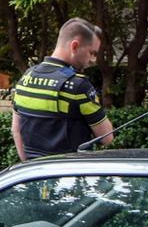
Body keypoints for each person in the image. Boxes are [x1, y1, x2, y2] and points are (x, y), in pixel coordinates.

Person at [11, 17, 113, 161]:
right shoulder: (78, 85)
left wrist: (27, 165)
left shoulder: (26, 77)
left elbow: (16, 130)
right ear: (75, 46)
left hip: (33, 171)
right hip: (69, 171)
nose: (93, 60)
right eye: (92, 53)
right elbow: (106, 137)